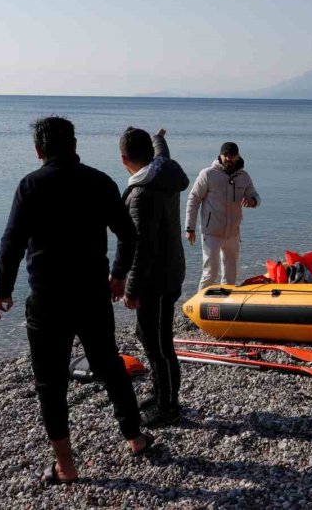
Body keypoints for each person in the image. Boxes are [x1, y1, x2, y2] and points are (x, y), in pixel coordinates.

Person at [0, 116, 151, 485]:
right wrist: (118, 275)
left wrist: (3, 290)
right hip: (92, 293)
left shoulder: (31, 186)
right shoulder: (99, 182)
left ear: (38, 150)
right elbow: (128, 234)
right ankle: (136, 439)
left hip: (47, 299)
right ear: (75, 145)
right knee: (109, 366)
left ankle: (66, 466)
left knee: (50, 383)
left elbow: (11, 242)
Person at [111, 127, 189, 427]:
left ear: (123, 159)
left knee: (159, 344)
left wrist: (131, 289)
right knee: (149, 337)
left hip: (157, 280)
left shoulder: (142, 193)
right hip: (170, 270)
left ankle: (169, 405)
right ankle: (160, 391)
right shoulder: (162, 172)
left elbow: (142, 247)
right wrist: (158, 137)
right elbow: (162, 153)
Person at [185, 141, 260, 289]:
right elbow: (193, 199)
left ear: (238, 157)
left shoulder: (244, 177)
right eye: (226, 155)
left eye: (232, 156)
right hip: (212, 232)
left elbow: (256, 196)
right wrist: (190, 228)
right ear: (220, 155)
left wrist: (252, 201)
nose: (229, 159)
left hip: (233, 234)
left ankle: (226, 305)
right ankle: (200, 304)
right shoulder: (208, 174)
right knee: (210, 273)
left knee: (230, 275)